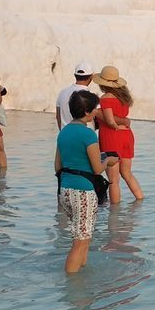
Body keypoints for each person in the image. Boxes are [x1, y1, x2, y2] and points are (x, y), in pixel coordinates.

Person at [56, 90, 120, 273]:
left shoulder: (63, 133)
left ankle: (81, 280)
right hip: (83, 191)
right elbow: (97, 169)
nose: (96, 112)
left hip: (66, 190)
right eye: (94, 109)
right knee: (80, 242)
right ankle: (72, 287)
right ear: (86, 112)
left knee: (83, 238)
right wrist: (107, 160)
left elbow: (57, 166)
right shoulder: (89, 134)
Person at [95, 65, 144, 202]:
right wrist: (123, 125)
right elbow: (122, 117)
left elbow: (110, 121)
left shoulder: (106, 98)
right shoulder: (124, 97)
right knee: (127, 173)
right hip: (127, 136)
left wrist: (115, 126)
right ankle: (140, 199)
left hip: (112, 137)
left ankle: (114, 215)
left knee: (113, 180)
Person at [55, 62, 95, 129]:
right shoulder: (89, 96)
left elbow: (58, 116)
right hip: (84, 135)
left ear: (74, 75)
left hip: (65, 134)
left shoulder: (62, 92)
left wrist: (63, 132)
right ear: (91, 77)